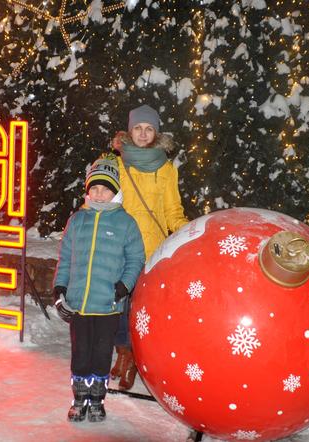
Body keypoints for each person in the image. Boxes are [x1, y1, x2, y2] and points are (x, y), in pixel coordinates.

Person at [53, 155, 145, 422]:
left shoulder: (125, 223)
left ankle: (97, 401)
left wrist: (124, 286)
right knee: (80, 353)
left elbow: (136, 258)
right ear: (88, 190)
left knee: (102, 354)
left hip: (108, 305)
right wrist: (60, 287)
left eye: (105, 189)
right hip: (79, 303)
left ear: (115, 191)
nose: (99, 194)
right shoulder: (77, 220)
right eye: (94, 188)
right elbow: (66, 256)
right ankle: (79, 398)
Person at [109, 104, 189, 390]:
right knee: (117, 304)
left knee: (139, 306)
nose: (143, 134)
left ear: (156, 133)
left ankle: (133, 358)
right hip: (119, 245)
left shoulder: (166, 169)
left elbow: (172, 211)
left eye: (149, 129)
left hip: (150, 247)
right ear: (130, 131)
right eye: (138, 128)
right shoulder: (114, 163)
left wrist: (189, 233)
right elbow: (101, 199)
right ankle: (122, 354)